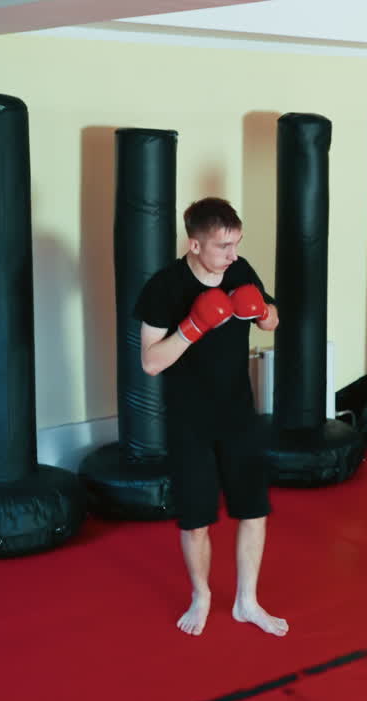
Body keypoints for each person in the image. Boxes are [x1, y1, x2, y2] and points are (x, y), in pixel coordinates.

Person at [134, 197, 288, 638]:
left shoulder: (240, 271)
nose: (233, 255)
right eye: (223, 246)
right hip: (189, 419)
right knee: (196, 520)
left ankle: (247, 601)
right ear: (195, 244)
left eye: (236, 244)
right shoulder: (164, 287)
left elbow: (273, 320)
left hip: (238, 410)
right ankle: (201, 594)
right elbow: (150, 362)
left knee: (254, 509)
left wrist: (260, 311)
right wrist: (193, 327)